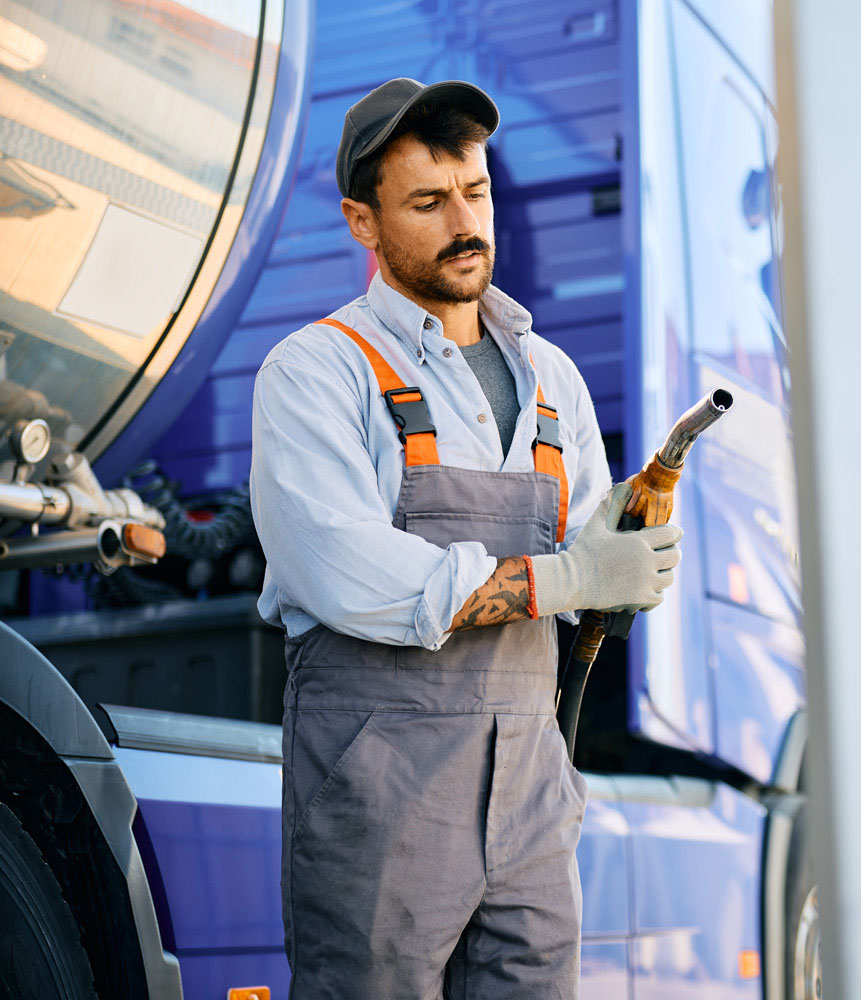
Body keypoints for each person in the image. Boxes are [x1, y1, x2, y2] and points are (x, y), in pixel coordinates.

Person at [250, 77, 682, 1000]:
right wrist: (570, 578)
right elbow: (348, 574)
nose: (464, 223)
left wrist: (624, 563)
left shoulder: (552, 376)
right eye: (427, 202)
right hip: (380, 787)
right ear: (362, 223)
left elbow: (588, 561)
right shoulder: (317, 370)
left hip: (531, 788)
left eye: (475, 192)